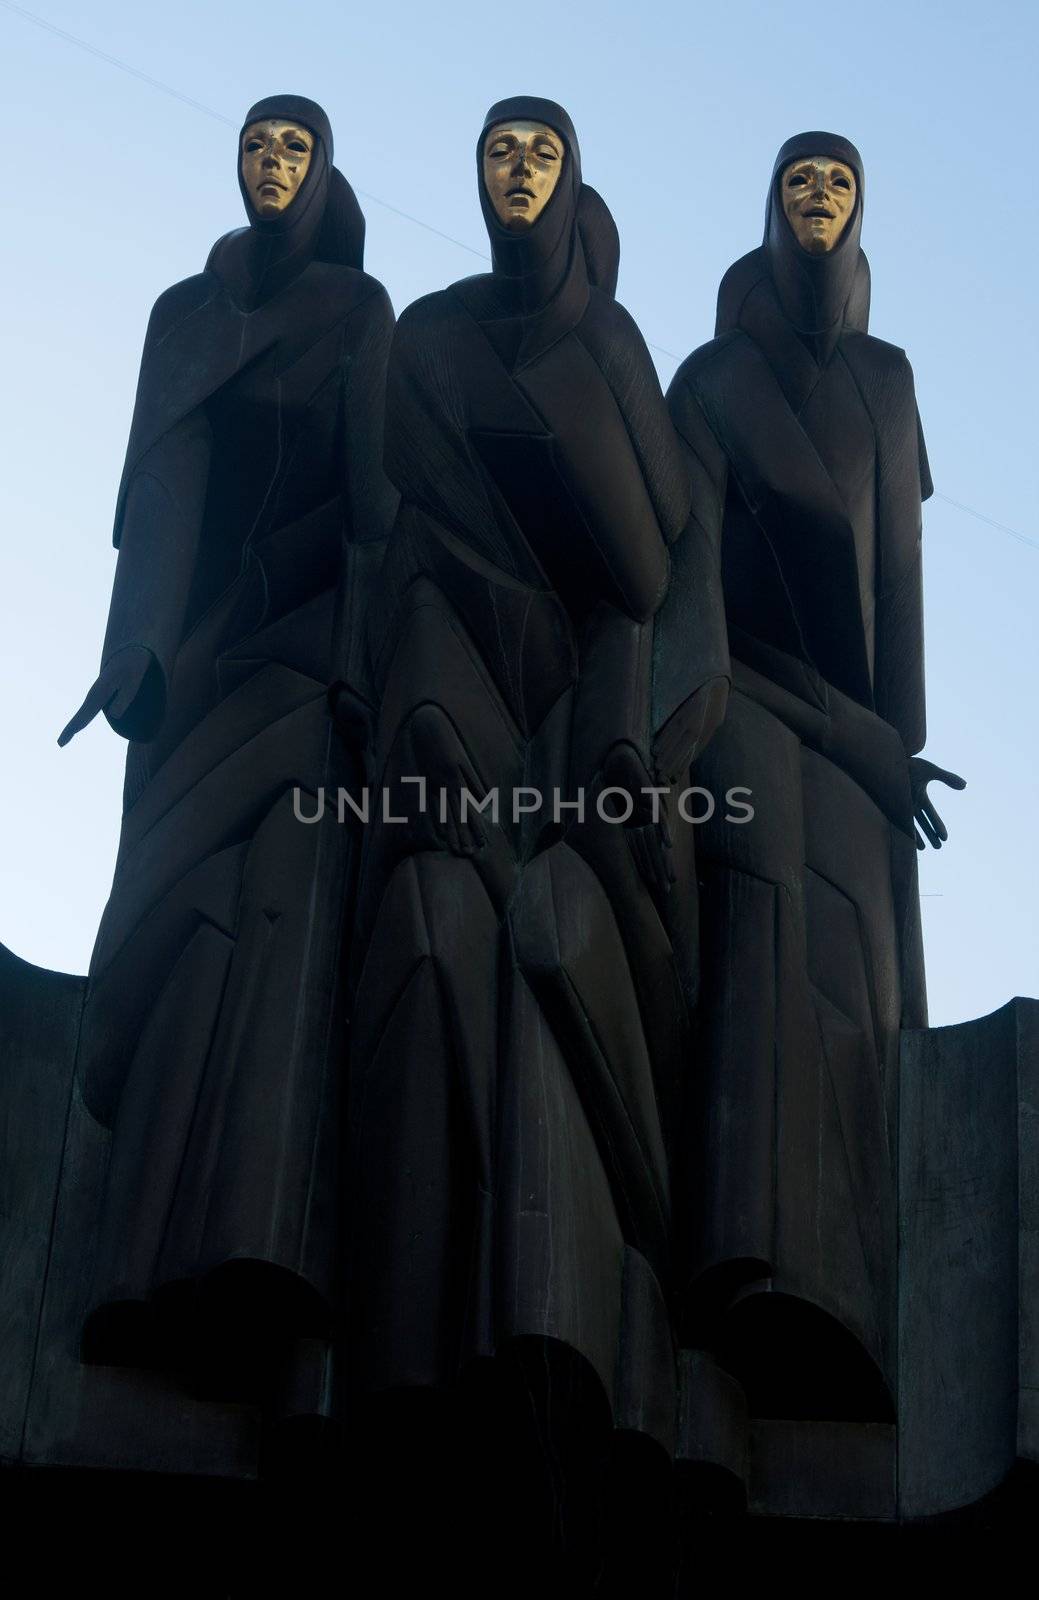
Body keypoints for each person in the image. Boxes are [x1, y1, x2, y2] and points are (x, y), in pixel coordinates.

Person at [345, 95, 727, 1571]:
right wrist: (432, 724)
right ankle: (406, 1361)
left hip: (594, 741)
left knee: (548, 942)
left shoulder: (613, 354)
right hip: (455, 718)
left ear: (574, 186)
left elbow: (652, 584)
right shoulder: (429, 344)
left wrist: (616, 759)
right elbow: (409, 561)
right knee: (431, 928)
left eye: (541, 153)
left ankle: (555, 1341)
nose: (515, 172)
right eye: (498, 150)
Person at [59, 94, 397, 1407]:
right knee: (181, 930)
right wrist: (137, 655)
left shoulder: (359, 320)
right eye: (255, 145)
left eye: (293, 149)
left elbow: (373, 513)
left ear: (323, 177)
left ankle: (262, 1252)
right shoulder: (183, 319)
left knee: (280, 925)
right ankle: (138, 1270)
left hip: (308, 669)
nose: (271, 164)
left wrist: (362, 676)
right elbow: (158, 500)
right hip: (192, 686)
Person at [667, 131, 964, 1420]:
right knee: (764, 896)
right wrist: (833, 736)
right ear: (771, 208)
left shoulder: (891, 382)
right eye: (800, 181)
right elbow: (687, 602)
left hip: (857, 740)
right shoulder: (712, 379)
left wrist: (895, 751)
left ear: (860, 216)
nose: (819, 198)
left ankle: (838, 1281)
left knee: (854, 957)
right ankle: (740, 1253)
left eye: (838, 183)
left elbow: (898, 586)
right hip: (743, 708)